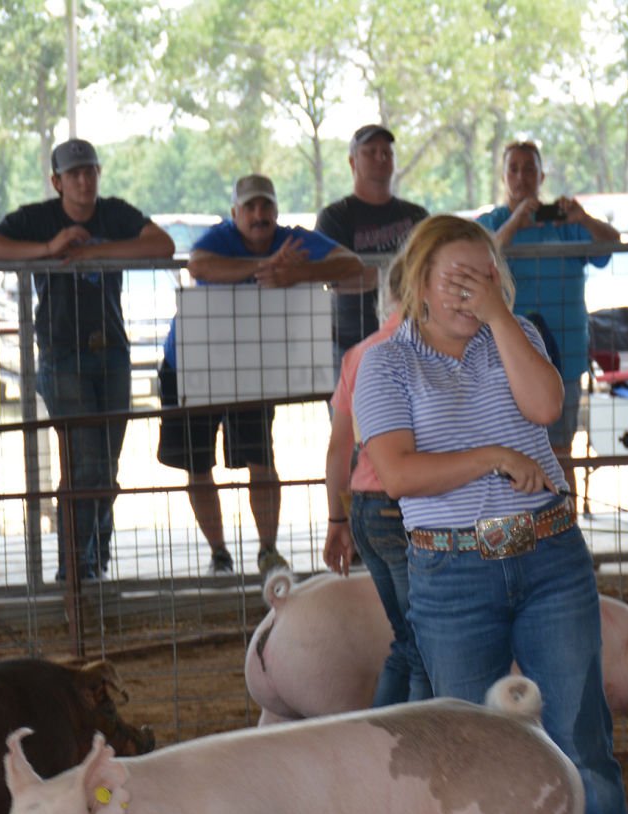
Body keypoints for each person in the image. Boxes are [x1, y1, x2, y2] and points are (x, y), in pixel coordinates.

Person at [352, 214, 628, 814]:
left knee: (581, 738)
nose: (470, 291)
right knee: (466, 750)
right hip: (451, 569)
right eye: (454, 279)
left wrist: (498, 317)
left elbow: (546, 406)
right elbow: (396, 473)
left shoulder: (516, 332)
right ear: (416, 282)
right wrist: (493, 457)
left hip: (549, 558)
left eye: (483, 276)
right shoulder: (385, 365)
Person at [0, 139, 175, 583]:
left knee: (106, 465)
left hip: (112, 352)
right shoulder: (38, 218)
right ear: (57, 181)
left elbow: (162, 244)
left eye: (91, 171)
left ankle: (92, 561)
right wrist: (50, 247)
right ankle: (75, 569)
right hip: (62, 353)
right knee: (88, 465)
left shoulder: (115, 212)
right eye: (75, 174)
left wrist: (90, 253)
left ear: (98, 174)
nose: (85, 180)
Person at [160, 174, 362, 575]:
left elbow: (352, 264)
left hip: (253, 367)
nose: (258, 215)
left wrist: (297, 273)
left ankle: (267, 548)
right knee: (197, 465)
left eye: (266, 206)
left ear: (276, 210)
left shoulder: (295, 240)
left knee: (260, 459)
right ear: (235, 212)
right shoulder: (218, 239)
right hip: (190, 362)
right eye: (249, 207)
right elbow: (199, 264)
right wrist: (266, 266)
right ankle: (219, 552)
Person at [475, 140, 622, 483]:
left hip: (565, 360)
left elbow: (612, 243)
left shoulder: (566, 223)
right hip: (503, 360)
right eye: (514, 168)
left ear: (542, 175)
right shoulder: (494, 222)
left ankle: (564, 530)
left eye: (529, 169)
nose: (521, 177)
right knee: (507, 456)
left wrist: (583, 218)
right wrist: (513, 225)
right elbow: (478, 258)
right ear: (503, 175)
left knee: (560, 453)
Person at [322, 265, 428, 707]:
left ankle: (381, 741)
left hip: (366, 507)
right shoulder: (425, 349)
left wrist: (337, 519)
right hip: (405, 503)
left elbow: (338, 449)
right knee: (423, 642)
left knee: (407, 639)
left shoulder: (359, 353)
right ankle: (423, 750)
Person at [314, 125, 428, 368]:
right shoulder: (335, 217)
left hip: (412, 339)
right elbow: (337, 278)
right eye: (371, 151)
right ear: (352, 161)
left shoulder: (417, 215)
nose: (381, 157)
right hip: (349, 341)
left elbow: (429, 269)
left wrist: (369, 274)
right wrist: (400, 276)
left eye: (387, 152)